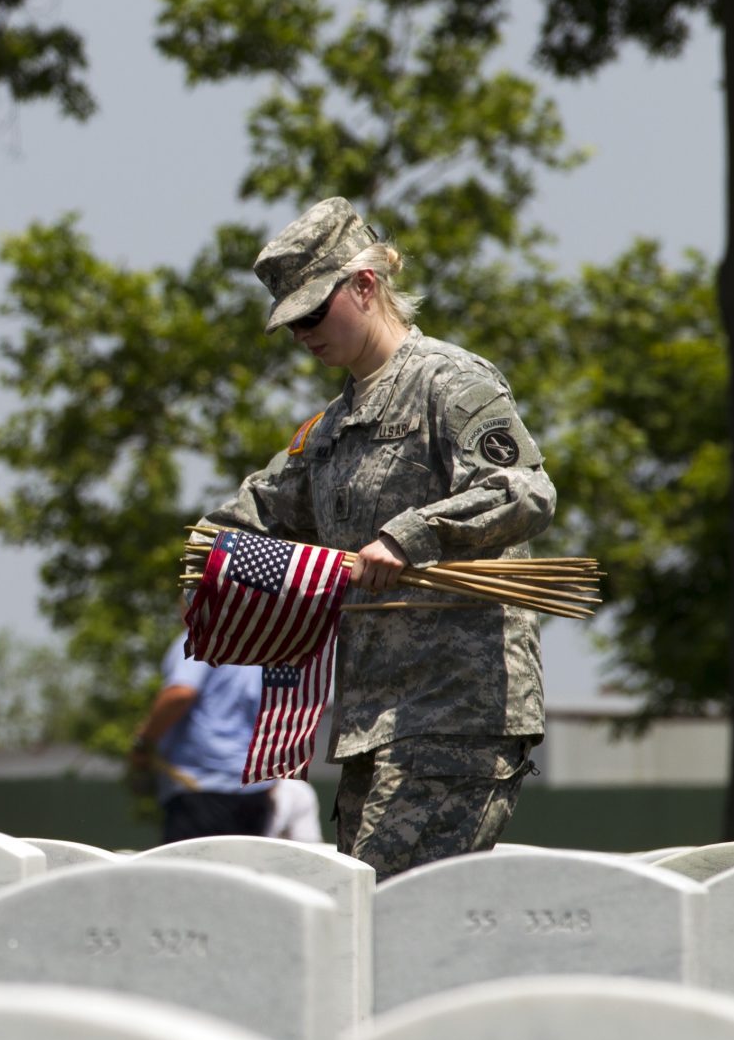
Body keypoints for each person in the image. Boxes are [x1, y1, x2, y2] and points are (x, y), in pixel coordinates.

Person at [199, 197, 554, 878]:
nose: (302, 333)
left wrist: (412, 535)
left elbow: (524, 490)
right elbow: (257, 512)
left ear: (365, 284)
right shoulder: (332, 428)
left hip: (457, 711)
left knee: (390, 914)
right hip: (372, 723)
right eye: (291, 322)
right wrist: (202, 551)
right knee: (367, 917)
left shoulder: (449, 382)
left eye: (312, 312)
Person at [130, 632, 274, 843]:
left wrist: (144, 741)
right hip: (255, 792)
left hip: (201, 787)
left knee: (191, 874)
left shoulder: (199, 636)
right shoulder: (257, 642)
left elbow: (180, 694)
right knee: (239, 873)